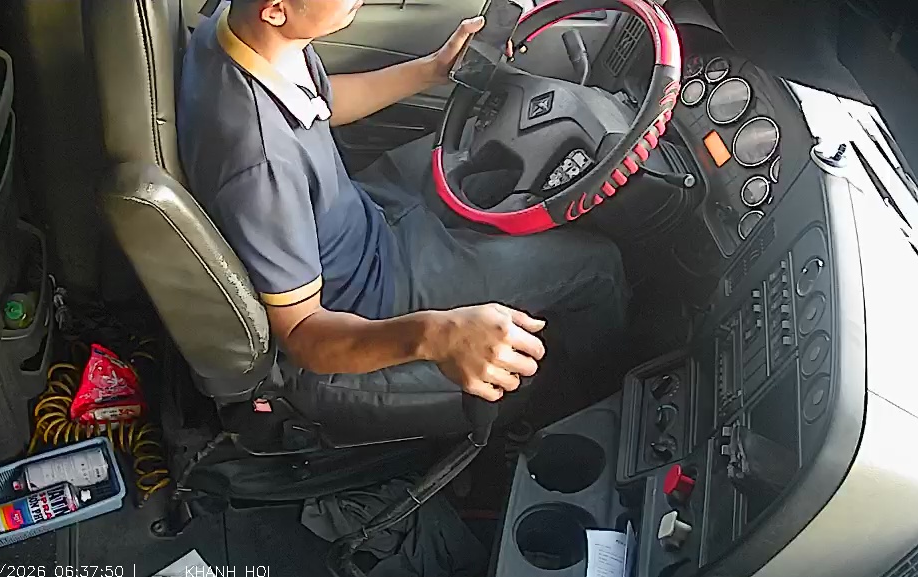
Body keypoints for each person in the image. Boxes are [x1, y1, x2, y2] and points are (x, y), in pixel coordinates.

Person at [177, 0, 627, 407]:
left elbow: (321, 104)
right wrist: (437, 334)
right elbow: (302, 333)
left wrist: (432, 69)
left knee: (486, 143)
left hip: (366, 208)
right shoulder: (262, 169)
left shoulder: (237, 32)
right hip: (375, 289)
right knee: (597, 266)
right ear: (276, 10)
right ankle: (594, 398)